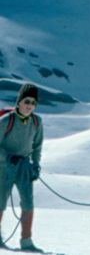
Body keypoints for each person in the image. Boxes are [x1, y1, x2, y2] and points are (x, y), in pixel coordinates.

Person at [0, 83, 44, 252]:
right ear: (19, 102)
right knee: (0, 201)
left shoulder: (36, 121)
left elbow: (37, 145)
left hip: (24, 166)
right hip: (4, 166)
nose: (29, 106)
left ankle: (26, 242)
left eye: (33, 103)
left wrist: (36, 164)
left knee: (28, 202)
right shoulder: (7, 120)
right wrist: (7, 157)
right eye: (27, 101)